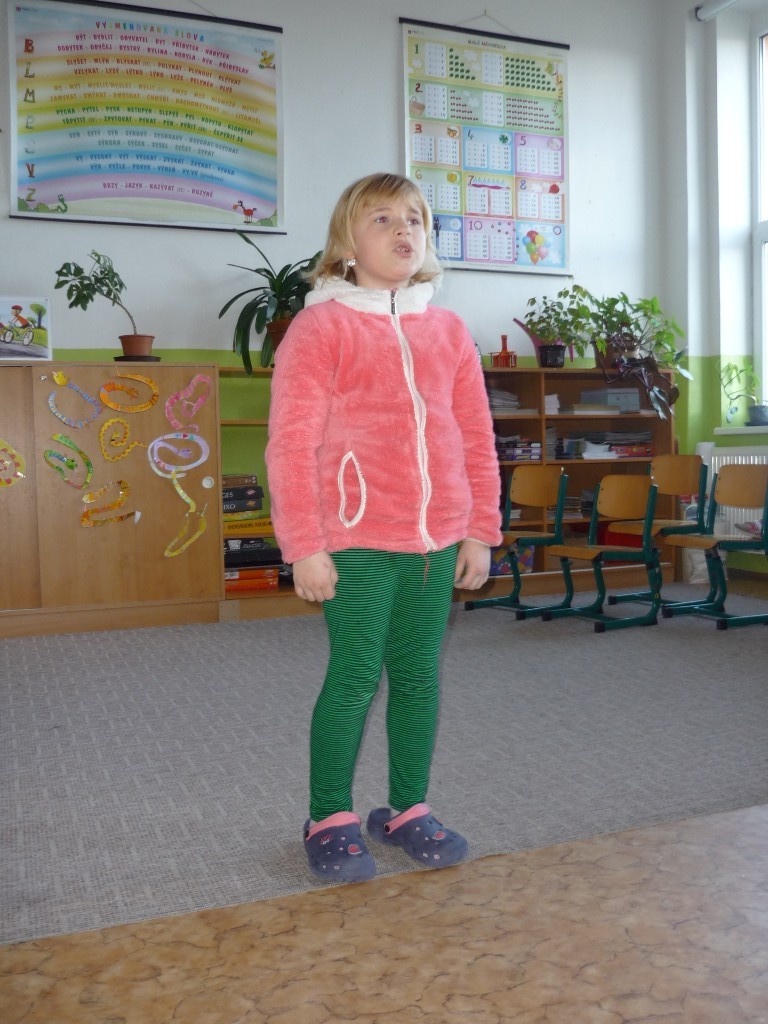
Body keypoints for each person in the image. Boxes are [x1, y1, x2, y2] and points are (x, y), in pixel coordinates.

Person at [265, 172, 502, 883]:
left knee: (420, 676)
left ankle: (405, 808)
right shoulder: (320, 327)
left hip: (437, 540)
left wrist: (480, 529)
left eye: (414, 219)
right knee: (356, 672)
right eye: (382, 219)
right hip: (355, 536)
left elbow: (476, 436)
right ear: (347, 241)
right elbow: (290, 445)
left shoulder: (448, 330)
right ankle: (328, 815)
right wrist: (305, 546)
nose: (403, 230)